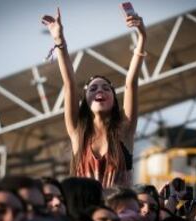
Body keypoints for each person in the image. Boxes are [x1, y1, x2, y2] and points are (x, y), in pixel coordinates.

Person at [41, 7, 147, 187]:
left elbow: (131, 83)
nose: (100, 90)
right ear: (85, 101)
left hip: (118, 213)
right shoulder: (77, 130)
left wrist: (142, 37)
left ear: (114, 100)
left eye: (106, 88)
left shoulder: (125, 129)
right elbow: (69, 84)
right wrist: (59, 40)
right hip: (84, 212)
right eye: (93, 89)